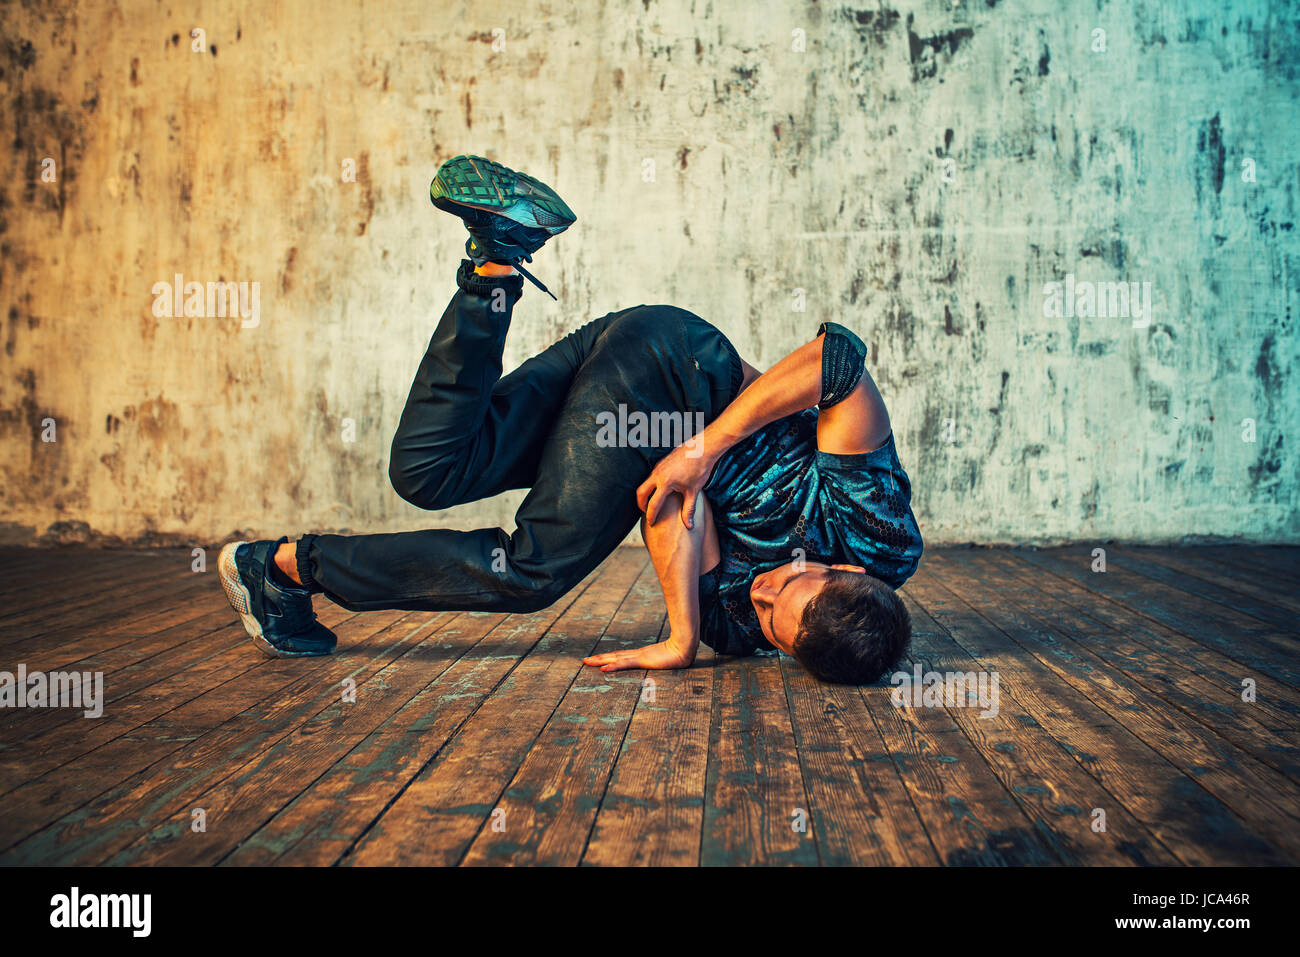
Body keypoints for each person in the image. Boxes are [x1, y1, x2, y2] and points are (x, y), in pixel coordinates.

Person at [219, 154, 922, 685]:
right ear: (842, 565)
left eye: (776, 620)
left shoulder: (742, 628)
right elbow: (837, 362)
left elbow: (666, 508)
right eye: (789, 585)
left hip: (626, 371)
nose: (762, 591)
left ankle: (498, 258)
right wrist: (703, 449)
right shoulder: (877, 532)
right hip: (679, 371)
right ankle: (285, 570)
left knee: (430, 469)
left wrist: (684, 635)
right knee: (532, 572)